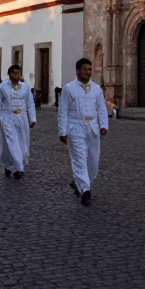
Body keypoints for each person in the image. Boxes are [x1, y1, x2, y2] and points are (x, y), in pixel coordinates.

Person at [58, 58, 108, 206]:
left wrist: (104, 125)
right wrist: (62, 131)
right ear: (78, 71)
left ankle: (79, 182)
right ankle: (85, 190)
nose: (88, 72)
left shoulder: (97, 89)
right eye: (85, 69)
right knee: (79, 159)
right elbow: (63, 111)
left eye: (90, 69)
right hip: (75, 127)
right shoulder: (69, 88)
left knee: (93, 161)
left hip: (92, 128)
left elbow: (101, 108)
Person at [0, 65, 35, 179]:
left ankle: (14, 167)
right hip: (7, 117)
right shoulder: (2, 87)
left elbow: (30, 103)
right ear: (9, 74)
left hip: (22, 117)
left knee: (21, 142)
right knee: (11, 142)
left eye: (18, 73)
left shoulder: (25, 87)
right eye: (14, 73)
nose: (17, 75)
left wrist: (33, 118)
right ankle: (19, 167)